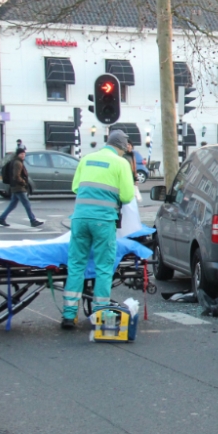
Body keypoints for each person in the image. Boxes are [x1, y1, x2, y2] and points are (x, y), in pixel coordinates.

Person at [60, 130, 136, 329]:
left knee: (76, 265)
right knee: (103, 267)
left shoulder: (86, 159)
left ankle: (69, 315)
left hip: (79, 218)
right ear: (120, 148)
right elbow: (128, 196)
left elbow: (76, 187)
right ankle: (99, 314)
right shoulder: (121, 163)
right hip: (103, 221)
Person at [0, 148, 44, 228]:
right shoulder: (18, 163)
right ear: (18, 154)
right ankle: (33, 220)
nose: (23, 155)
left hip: (15, 187)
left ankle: (1, 218)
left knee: (12, 205)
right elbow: (16, 176)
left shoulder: (15, 161)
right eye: (21, 154)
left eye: (24, 154)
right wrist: (23, 182)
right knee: (27, 204)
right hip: (19, 187)